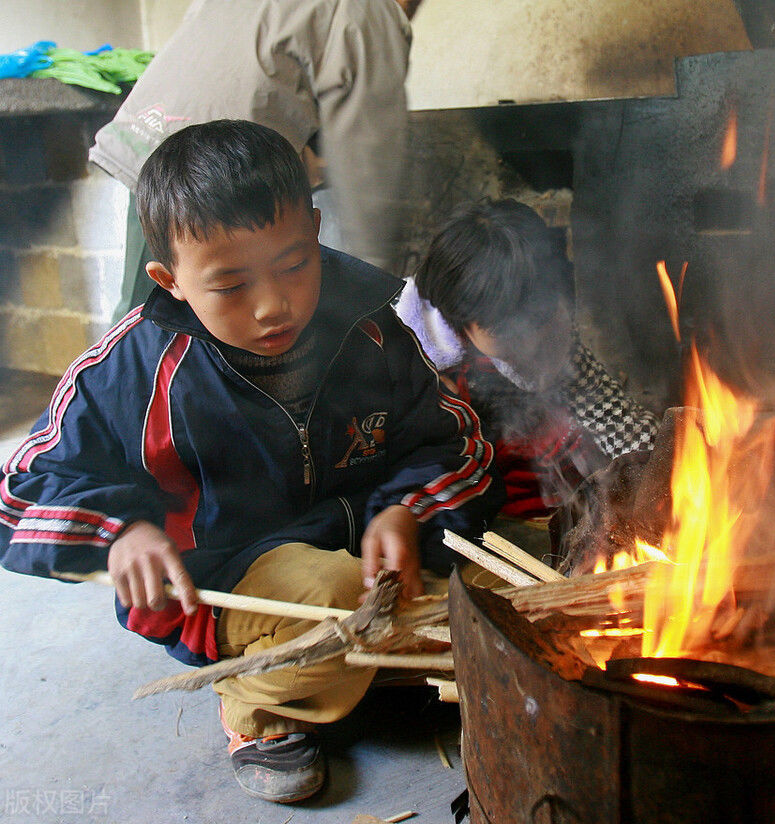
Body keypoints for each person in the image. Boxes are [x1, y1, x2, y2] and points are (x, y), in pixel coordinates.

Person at [0, 120, 503, 804]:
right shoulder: (127, 369)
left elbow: (453, 439)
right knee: (335, 599)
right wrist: (121, 530)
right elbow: (22, 488)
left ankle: (345, 669)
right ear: (168, 279)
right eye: (231, 285)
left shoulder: (372, 332)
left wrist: (403, 511)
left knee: (505, 594)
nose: (273, 306)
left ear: (316, 228)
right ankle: (256, 706)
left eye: (295, 265)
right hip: (223, 579)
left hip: (363, 557)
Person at [89, 0, 421, 322]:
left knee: (141, 318)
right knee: (170, 324)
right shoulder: (371, 10)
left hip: (147, 134)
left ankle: (117, 374)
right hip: (209, 171)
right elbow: (369, 159)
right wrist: (375, 287)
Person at [395, 198, 659, 520]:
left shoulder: (553, 332)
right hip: (460, 507)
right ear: (460, 317)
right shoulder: (416, 359)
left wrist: (662, 459)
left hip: (549, 498)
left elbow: (611, 415)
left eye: (538, 318)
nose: (532, 340)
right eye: (511, 330)